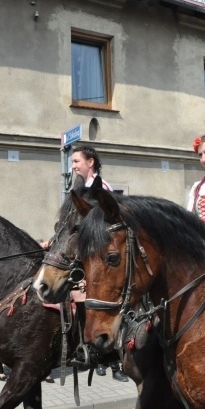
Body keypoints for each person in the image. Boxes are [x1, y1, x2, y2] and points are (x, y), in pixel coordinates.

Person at [71, 145, 129, 383]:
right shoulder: (78, 188)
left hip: (100, 254)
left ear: (90, 162)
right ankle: (94, 353)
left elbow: (103, 228)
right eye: (73, 161)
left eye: (77, 161)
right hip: (87, 253)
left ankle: (115, 361)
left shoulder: (101, 189)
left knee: (107, 302)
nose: (73, 165)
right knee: (85, 304)